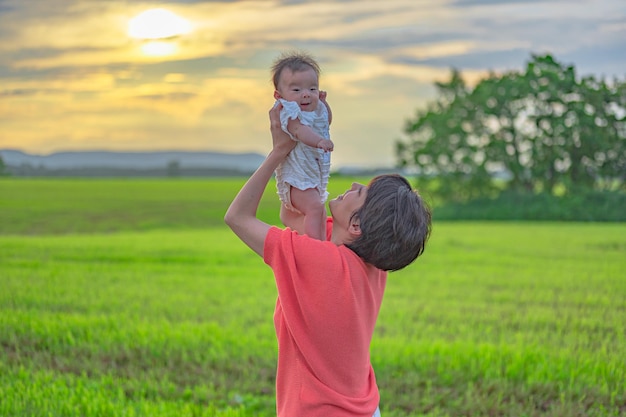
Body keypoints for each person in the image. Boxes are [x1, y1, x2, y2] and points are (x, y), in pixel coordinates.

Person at [224, 104, 432, 417]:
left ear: (358, 225)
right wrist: (308, 142)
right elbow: (291, 213)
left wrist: (279, 151)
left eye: (361, 192)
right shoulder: (372, 263)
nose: (352, 186)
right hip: (362, 408)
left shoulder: (323, 261)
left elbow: (237, 217)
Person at [271, 51, 334, 240]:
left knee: (319, 211)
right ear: (279, 95)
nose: (306, 94)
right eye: (296, 90)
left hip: (311, 177)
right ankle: (316, 247)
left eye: (312, 89)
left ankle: (321, 242)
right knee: (315, 207)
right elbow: (299, 130)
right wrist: (319, 141)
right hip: (296, 179)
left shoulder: (315, 108)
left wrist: (323, 104)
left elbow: (325, 121)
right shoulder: (288, 111)